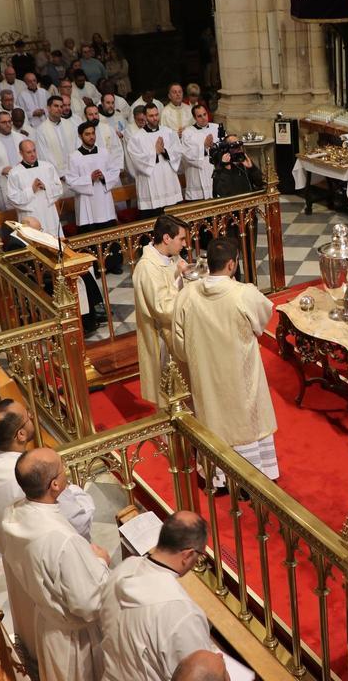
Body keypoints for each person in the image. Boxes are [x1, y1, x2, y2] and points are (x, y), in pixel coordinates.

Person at [0, 399, 96, 651]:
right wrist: (77, 493)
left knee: (33, 631)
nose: (31, 416)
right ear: (20, 434)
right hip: (50, 570)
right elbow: (76, 520)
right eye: (28, 415)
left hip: (17, 562)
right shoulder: (23, 475)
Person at [172, 237, 279, 488]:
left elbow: (178, 344)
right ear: (232, 264)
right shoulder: (244, 294)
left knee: (214, 420)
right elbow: (263, 320)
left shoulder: (187, 295)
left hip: (206, 379)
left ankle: (220, 479)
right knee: (246, 424)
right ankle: (253, 475)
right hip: (241, 379)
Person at [1, 447, 111, 681]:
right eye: (63, 470)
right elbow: (88, 604)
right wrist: (101, 562)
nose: (66, 473)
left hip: (49, 628)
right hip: (77, 643)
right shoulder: (63, 539)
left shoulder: (13, 516)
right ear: (54, 485)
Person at [99, 511, 215, 681]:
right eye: (199, 556)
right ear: (188, 555)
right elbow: (198, 674)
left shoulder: (124, 569)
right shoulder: (182, 612)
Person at [134, 216, 189, 411]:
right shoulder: (148, 267)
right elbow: (162, 308)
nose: (185, 243)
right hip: (163, 339)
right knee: (169, 394)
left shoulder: (173, 257)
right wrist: (187, 291)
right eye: (181, 239)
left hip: (178, 329)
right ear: (167, 238)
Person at [67, 122, 124, 274]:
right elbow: (71, 181)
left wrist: (104, 176)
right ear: (80, 136)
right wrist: (89, 178)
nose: (91, 136)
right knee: (90, 235)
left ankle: (113, 264)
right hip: (86, 203)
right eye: (87, 134)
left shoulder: (104, 153)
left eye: (93, 133)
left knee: (108, 233)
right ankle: (94, 268)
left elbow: (114, 171)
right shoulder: (74, 157)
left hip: (104, 200)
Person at [126, 105, 184, 217]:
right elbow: (137, 161)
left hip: (168, 183)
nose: (155, 118)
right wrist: (155, 152)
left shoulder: (169, 132)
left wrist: (165, 151)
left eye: (156, 115)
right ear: (145, 117)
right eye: (151, 116)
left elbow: (177, 151)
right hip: (150, 185)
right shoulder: (136, 138)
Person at [7, 140, 64, 239]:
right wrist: (31, 190)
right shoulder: (15, 173)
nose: (33, 154)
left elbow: (59, 188)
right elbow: (13, 198)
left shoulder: (47, 167)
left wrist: (46, 187)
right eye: (29, 152)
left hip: (49, 214)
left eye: (34, 151)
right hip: (30, 216)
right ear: (21, 153)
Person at [178, 105, 219, 201]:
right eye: (199, 116)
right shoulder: (187, 133)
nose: (204, 118)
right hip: (196, 178)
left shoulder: (216, 128)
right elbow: (187, 155)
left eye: (205, 114)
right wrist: (203, 147)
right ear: (194, 118)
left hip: (215, 174)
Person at [35, 96, 80, 170]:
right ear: (48, 108)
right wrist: (59, 174)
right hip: (56, 174)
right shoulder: (41, 130)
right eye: (56, 106)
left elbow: (77, 147)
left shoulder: (70, 125)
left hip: (74, 170)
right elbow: (43, 155)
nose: (59, 109)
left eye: (61, 106)